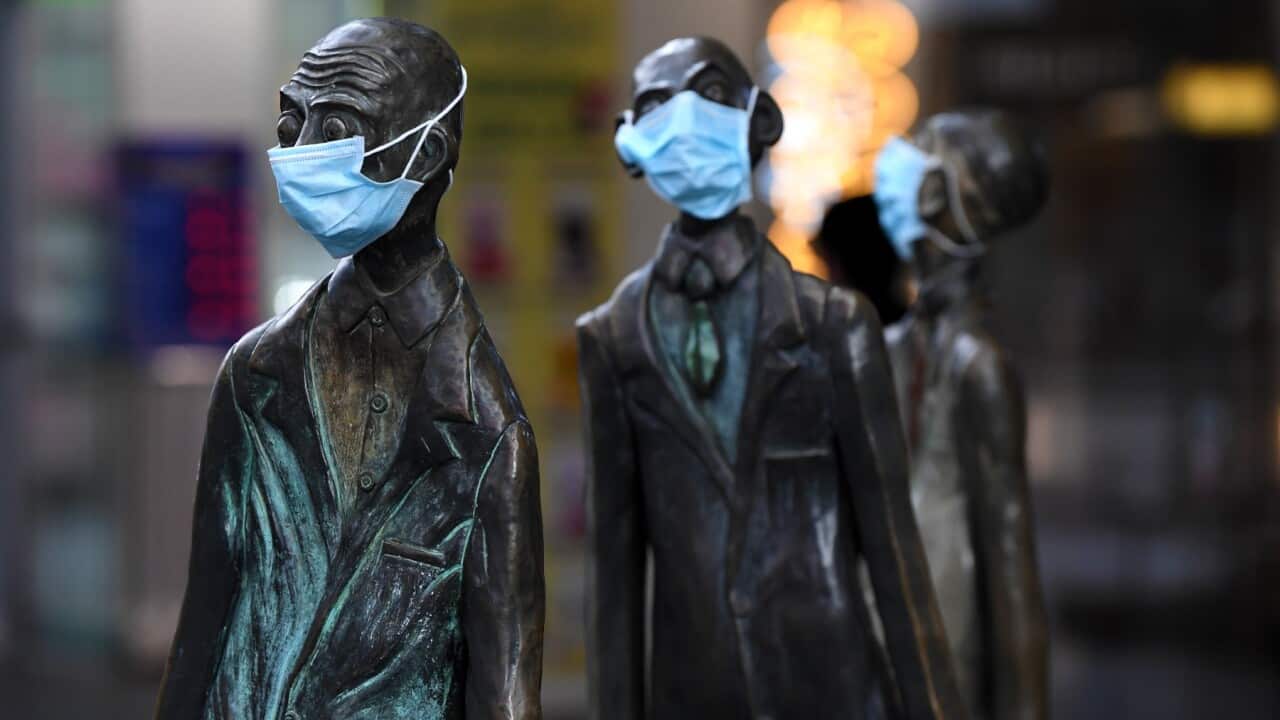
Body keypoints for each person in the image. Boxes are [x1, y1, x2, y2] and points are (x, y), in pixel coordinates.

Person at [155, 18, 544, 720]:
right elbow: (201, 629)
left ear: (426, 152)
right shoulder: (254, 375)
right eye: (290, 123)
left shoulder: (487, 431)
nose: (298, 154)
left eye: (335, 126)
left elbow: (505, 686)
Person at [578, 36, 967, 720]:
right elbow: (614, 578)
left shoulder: (834, 326)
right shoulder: (612, 338)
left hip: (828, 683)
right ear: (628, 142)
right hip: (691, 691)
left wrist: (933, 707)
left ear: (763, 122)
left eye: (712, 95)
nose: (687, 123)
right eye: (658, 107)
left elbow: (894, 550)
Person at [873, 109, 1050, 720]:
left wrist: (1026, 708)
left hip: (947, 651)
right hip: (880, 648)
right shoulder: (896, 346)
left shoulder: (980, 365)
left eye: (921, 148)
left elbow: (1011, 563)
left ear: (941, 193)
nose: (897, 157)